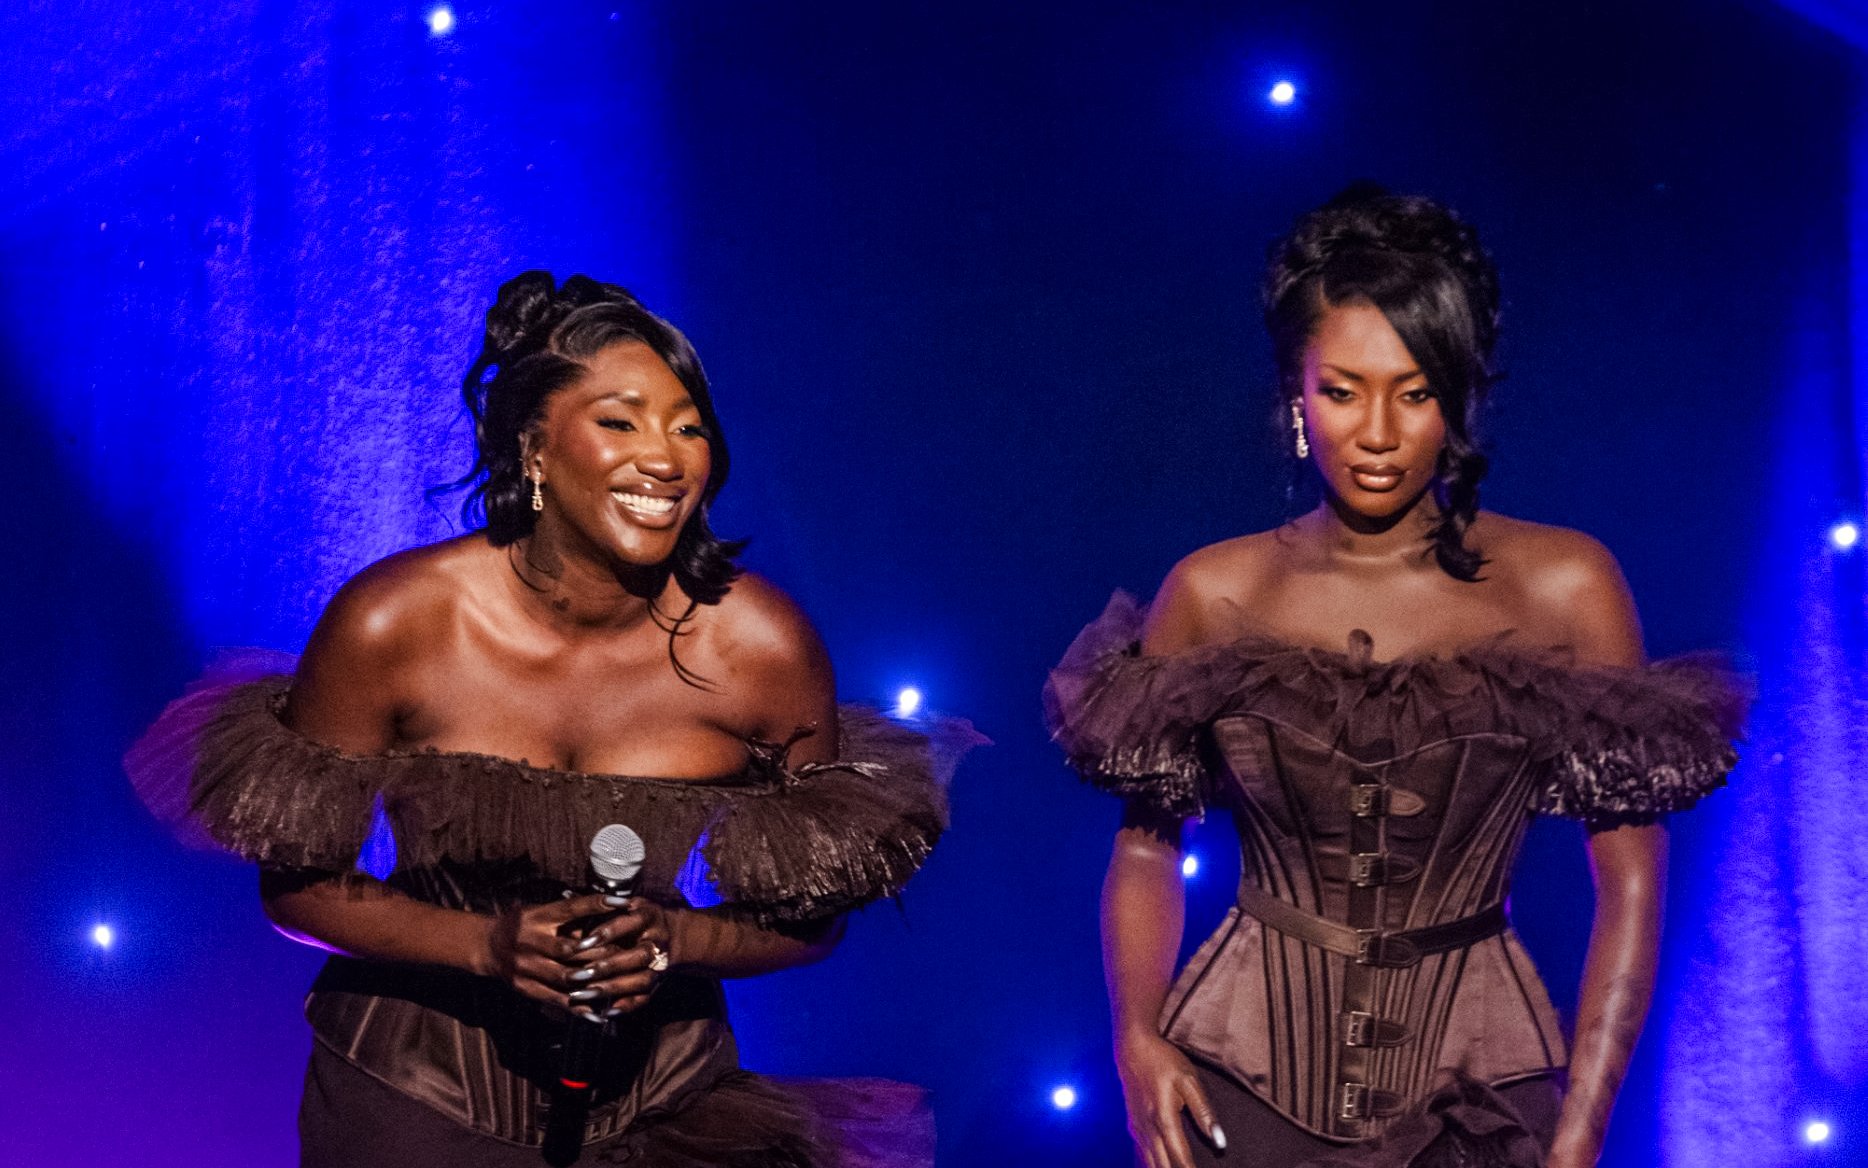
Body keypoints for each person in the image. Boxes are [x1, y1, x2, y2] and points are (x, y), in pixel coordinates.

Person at [128, 272, 967, 1166]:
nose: (665, 456)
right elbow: (293, 892)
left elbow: (818, 917)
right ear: (533, 448)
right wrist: (487, 945)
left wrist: (676, 940)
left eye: (689, 428)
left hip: (663, 1101)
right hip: (412, 1095)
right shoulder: (395, 622)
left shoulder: (759, 645)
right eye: (621, 421)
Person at [1044, 189, 1745, 1168]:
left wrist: (1582, 1126)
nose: (1375, 431)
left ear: (1456, 399)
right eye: (1341, 389)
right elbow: (1146, 850)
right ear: (1294, 393)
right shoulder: (1210, 588)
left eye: (1412, 392)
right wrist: (1134, 1040)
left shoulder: (1564, 582)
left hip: (1481, 1111)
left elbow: (1629, 883)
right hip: (1231, 1098)